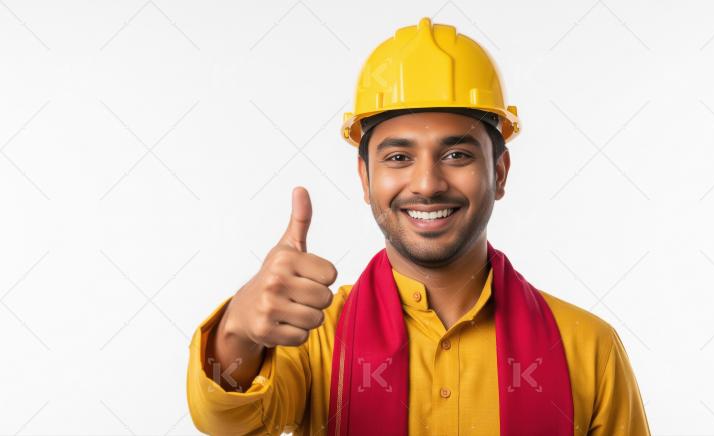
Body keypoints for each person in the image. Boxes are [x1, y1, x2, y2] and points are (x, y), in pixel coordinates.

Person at [186, 17, 650, 436]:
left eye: (457, 155)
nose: (427, 184)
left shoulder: (588, 348)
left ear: (501, 173)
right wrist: (237, 333)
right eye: (398, 157)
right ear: (365, 178)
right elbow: (227, 420)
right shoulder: (310, 337)